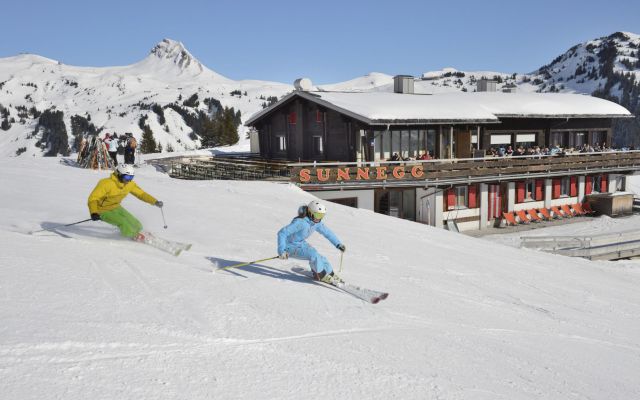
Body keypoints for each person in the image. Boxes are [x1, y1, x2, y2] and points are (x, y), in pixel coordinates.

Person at [87, 164, 163, 241]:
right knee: (123, 222)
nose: (128, 180)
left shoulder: (129, 184)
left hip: (116, 207)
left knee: (136, 224)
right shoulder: (106, 183)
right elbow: (93, 198)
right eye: (127, 177)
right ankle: (132, 236)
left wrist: (154, 201)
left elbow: (141, 194)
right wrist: (94, 212)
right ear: (119, 174)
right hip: (101, 210)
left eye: (131, 177)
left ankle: (140, 232)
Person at [277, 200, 346, 283]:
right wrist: (281, 251)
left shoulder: (316, 223)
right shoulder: (300, 222)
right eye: (317, 215)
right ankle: (321, 274)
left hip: (300, 244)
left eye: (321, 216)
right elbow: (282, 233)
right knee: (313, 255)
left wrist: (338, 244)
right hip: (289, 247)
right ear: (310, 212)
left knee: (321, 258)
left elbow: (327, 233)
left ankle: (330, 274)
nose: (319, 218)